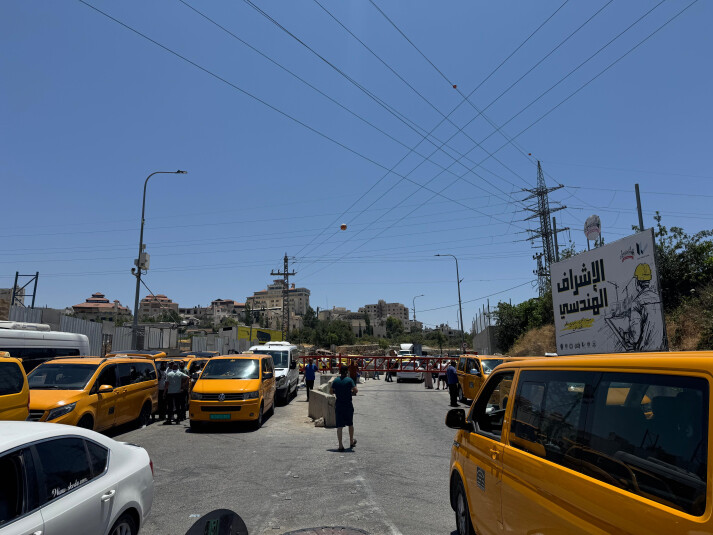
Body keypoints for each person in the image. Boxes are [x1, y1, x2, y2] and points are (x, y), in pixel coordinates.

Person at [330, 365, 358, 451]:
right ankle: (351, 441)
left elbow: (331, 391)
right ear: (347, 372)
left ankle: (340, 445)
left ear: (340, 371)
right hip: (348, 405)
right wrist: (351, 391)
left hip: (339, 405)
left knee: (340, 426)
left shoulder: (336, 381)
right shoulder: (349, 380)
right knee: (350, 424)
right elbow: (356, 390)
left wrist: (337, 391)